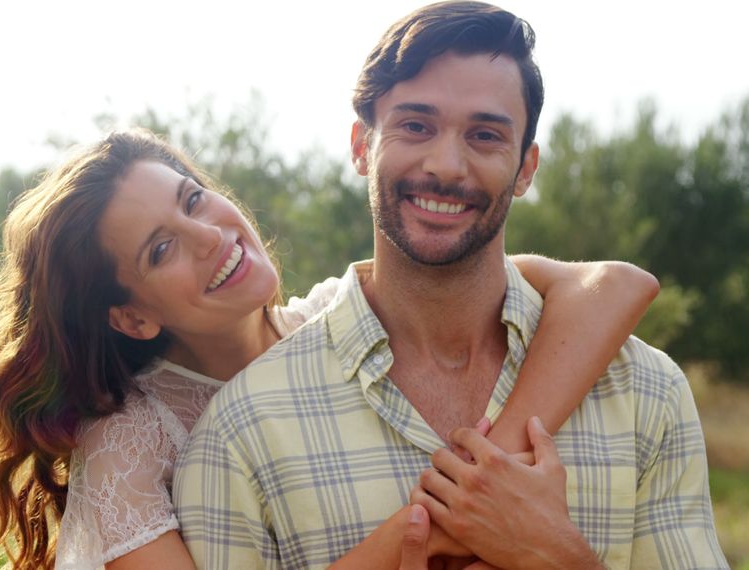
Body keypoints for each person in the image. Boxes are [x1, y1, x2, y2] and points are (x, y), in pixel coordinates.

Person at [0, 129, 659, 570]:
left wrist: (489, 472)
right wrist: (459, 513)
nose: (211, 236)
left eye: (191, 200)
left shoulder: (341, 317)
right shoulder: (130, 439)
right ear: (132, 317)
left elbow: (615, 285)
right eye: (162, 249)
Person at [173, 2, 728, 569]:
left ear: (526, 168)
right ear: (363, 146)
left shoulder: (645, 393)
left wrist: (559, 557)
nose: (445, 164)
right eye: (416, 126)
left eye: (485, 135)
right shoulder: (241, 432)